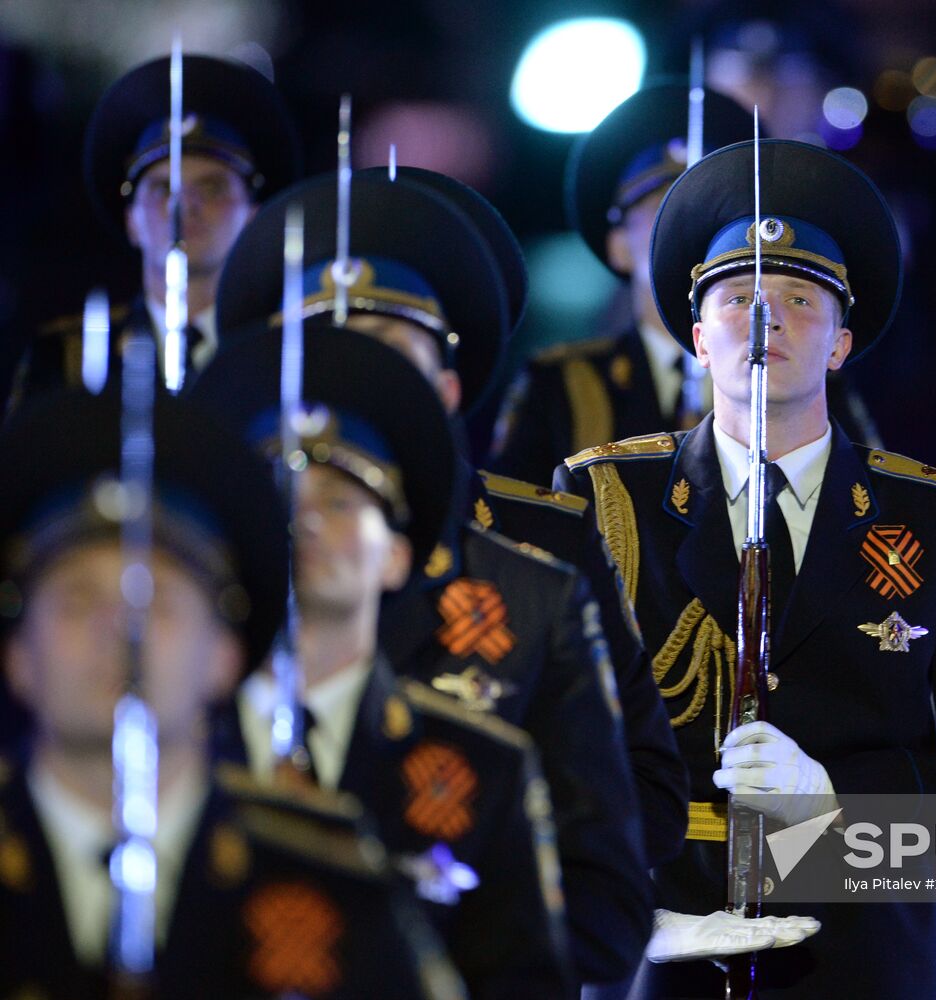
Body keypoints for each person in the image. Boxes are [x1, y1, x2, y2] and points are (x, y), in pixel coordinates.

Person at [555, 137, 936, 998]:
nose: (766, 323)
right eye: (736, 300)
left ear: (841, 342)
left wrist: (841, 798)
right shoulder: (607, 500)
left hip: (863, 959)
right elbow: (551, 743)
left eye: (800, 299)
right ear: (693, 336)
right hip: (655, 956)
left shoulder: (934, 519)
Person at [210, 169, 665, 986]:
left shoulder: (536, 587)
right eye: (318, 350)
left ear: (448, 389)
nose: (349, 379)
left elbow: (615, 870)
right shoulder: (194, 595)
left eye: (387, 355)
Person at [0, 389, 461, 999]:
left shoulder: (332, 889)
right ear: (18, 656)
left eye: (157, 604)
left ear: (225, 657)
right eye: (79, 602)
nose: (120, 633)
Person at [192, 323, 602, 997]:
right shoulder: (170, 744)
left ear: (399, 556)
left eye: (342, 502)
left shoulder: (483, 769)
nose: (308, 524)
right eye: (280, 502)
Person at [489, 82, 880, 485]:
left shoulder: (811, 377)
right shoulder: (559, 385)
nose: (688, 231)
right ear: (618, 244)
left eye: (716, 214)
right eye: (662, 206)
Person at [10, 52, 301, 405]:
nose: (184, 205)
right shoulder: (66, 361)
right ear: (131, 220)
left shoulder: (286, 356)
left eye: (211, 188)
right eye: (163, 189)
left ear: (252, 215)